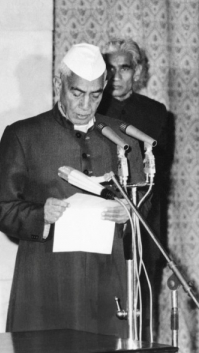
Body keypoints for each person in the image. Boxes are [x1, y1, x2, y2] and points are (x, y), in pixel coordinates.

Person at [0, 43, 145, 337]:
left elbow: (143, 206)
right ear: (59, 83)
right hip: (45, 277)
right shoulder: (22, 135)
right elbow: (1, 209)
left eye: (95, 95)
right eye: (77, 93)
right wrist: (40, 215)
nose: (86, 105)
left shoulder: (122, 139)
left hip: (106, 277)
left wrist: (129, 213)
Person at [97, 37, 173, 338]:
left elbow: (161, 173)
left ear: (137, 71)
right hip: (102, 222)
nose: (116, 76)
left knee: (141, 307)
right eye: (109, 69)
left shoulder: (156, 112)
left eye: (124, 68)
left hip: (143, 221)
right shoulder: (90, 108)